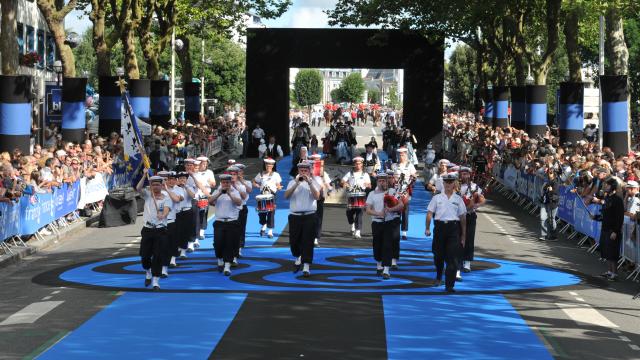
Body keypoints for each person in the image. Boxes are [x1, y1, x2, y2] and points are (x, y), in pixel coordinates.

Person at [424, 173, 467, 293]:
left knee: (452, 258)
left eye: (450, 182)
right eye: (446, 182)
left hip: (453, 229)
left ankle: (449, 285)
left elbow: (463, 218)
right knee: (438, 256)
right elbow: (429, 213)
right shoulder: (437, 197)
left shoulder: (458, 199)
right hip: (439, 228)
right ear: (443, 184)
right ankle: (438, 276)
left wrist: (463, 235)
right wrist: (427, 228)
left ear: (454, 184)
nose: (448, 184)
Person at [136, 172, 172, 290]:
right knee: (145, 256)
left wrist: (163, 215)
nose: (156, 187)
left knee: (158, 255)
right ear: (151, 186)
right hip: (147, 229)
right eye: (153, 185)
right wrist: (144, 175)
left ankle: (156, 280)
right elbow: (138, 188)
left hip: (160, 230)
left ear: (162, 186)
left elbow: (167, 209)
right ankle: (148, 272)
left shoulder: (166, 198)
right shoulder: (147, 195)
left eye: (158, 185)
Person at [284, 161, 320, 277]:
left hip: (310, 215)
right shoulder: (291, 182)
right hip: (295, 216)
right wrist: (296, 183)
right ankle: (299, 256)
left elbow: (317, 196)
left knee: (308, 241)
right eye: (301, 171)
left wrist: (309, 183)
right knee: (294, 242)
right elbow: (286, 196)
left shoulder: (314, 182)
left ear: (309, 171)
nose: (303, 172)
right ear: (298, 171)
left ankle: (306, 266)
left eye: (305, 170)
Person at [366, 172, 403, 279]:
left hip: (389, 222)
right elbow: (368, 210)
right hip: (377, 222)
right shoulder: (372, 194)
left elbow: (401, 205)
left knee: (387, 245)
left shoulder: (392, 191)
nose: (382, 182)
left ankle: (386, 270)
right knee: (377, 245)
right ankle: (379, 265)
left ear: (387, 182)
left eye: (384, 180)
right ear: (377, 182)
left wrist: (391, 209)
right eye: (380, 180)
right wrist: (378, 213)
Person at [209, 173, 243, 276]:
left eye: (227, 182)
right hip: (219, 222)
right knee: (218, 243)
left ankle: (227, 266)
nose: (225, 184)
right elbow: (210, 201)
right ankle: (220, 259)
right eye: (223, 182)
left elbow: (238, 202)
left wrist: (229, 194)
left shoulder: (235, 192)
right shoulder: (217, 191)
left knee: (229, 244)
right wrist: (220, 193)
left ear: (230, 183)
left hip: (231, 222)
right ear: (221, 183)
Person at [592, 177, 624, 281]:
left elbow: (620, 217)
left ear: (613, 187)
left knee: (612, 253)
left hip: (613, 230)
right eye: (605, 184)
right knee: (606, 251)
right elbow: (604, 214)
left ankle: (615, 274)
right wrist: (596, 217)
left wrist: (616, 231)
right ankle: (609, 271)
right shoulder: (607, 199)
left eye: (608, 185)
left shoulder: (618, 200)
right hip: (605, 229)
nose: (605, 186)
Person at [458, 167, 485, 277]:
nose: (465, 176)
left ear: (470, 175)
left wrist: (475, 205)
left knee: (469, 238)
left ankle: (467, 263)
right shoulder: (456, 186)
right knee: (457, 238)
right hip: (457, 216)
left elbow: (482, 199)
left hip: (470, 215)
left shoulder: (475, 187)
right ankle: (457, 260)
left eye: (467, 174)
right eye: (463, 174)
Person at [341, 156, 371, 238]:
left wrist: (367, 185)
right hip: (351, 196)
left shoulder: (365, 174)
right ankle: (352, 224)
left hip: (361, 196)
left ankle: (358, 231)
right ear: (354, 164)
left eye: (359, 164)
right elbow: (342, 181)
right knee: (349, 213)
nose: (358, 165)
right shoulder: (350, 173)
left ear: (362, 165)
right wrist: (345, 184)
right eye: (356, 164)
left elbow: (369, 185)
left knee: (359, 213)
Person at [253, 158, 282, 238]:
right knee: (261, 213)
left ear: (273, 166)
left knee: (271, 213)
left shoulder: (276, 175)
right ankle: (264, 225)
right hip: (262, 195)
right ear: (265, 165)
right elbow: (254, 181)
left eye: (270, 165)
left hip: (272, 195)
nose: (268, 166)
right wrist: (256, 185)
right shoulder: (261, 174)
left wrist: (279, 187)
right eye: (267, 165)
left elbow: (278, 184)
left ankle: (270, 231)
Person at [392, 147, 417, 239]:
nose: (401, 157)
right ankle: (395, 230)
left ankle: (404, 232)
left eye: (403, 155)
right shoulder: (394, 166)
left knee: (405, 210)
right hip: (396, 190)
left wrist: (413, 177)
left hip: (405, 190)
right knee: (396, 210)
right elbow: (391, 177)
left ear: (406, 155)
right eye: (399, 155)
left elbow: (415, 175)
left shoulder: (410, 166)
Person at [227, 164, 249, 264]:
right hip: (228, 211)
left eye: (238, 172)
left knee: (240, 230)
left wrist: (236, 184)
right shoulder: (224, 185)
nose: (234, 176)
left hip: (241, 208)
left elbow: (245, 195)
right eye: (232, 174)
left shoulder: (244, 184)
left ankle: (238, 249)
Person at [310, 153, 332, 247]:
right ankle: (308, 236)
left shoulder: (323, 173)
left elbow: (328, 184)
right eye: (314, 160)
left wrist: (329, 189)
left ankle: (315, 238)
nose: (316, 162)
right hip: (309, 197)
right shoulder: (306, 171)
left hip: (319, 197)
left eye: (317, 161)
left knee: (318, 218)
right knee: (309, 218)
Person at [539, 169, 560, 241]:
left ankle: (554, 236)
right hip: (545, 202)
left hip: (553, 203)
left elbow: (556, 193)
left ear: (554, 174)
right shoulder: (547, 181)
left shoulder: (556, 182)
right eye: (548, 173)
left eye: (551, 173)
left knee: (551, 219)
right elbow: (543, 190)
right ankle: (543, 235)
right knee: (542, 218)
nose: (549, 174)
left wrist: (551, 190)